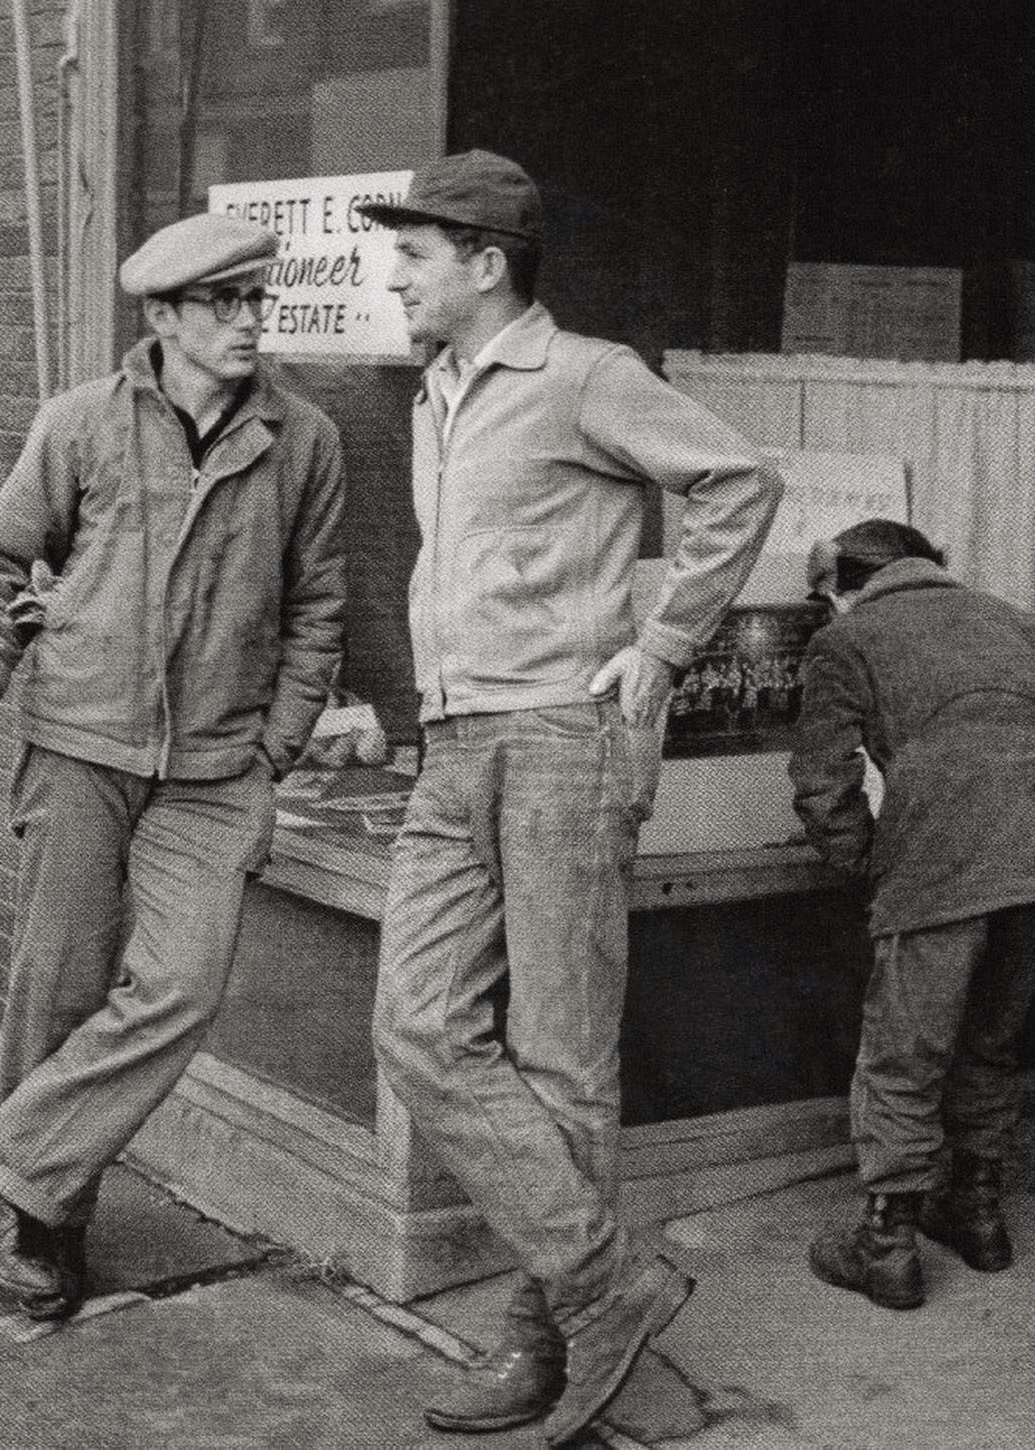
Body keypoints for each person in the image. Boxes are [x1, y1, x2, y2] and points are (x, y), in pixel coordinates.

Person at [358, 150, 782, 1445]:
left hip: (558, 739)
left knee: (559, 1057)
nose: (395, 274)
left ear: (487, 265)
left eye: (416, 254)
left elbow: (737, 482)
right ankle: (606, 1284)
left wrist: (660, 649)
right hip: (453, 742)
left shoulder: (586, 374)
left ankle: (543, 1334)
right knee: (419, 1022)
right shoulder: (432, 394)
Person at [0, 213, 346, 1319]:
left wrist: (274, 745)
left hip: (217, 769)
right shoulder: (82, 426)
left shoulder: (303, 440)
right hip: (78, 747)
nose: (251, 320)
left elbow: (318, 607)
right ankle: (48, 1219)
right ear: (162, 317)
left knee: (180, 988)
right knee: (60, 986)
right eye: (225, 303)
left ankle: (1, 1169)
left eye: (260, 300)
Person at [790, 518, 1035, 1310]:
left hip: (941, 864)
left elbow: (824, 781)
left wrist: (862, 860)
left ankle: (886, 1245)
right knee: (995, 1043)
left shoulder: (849, 638)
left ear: (840, 584)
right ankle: (977, 1212)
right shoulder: (1011, 617)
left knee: (903, 1054)